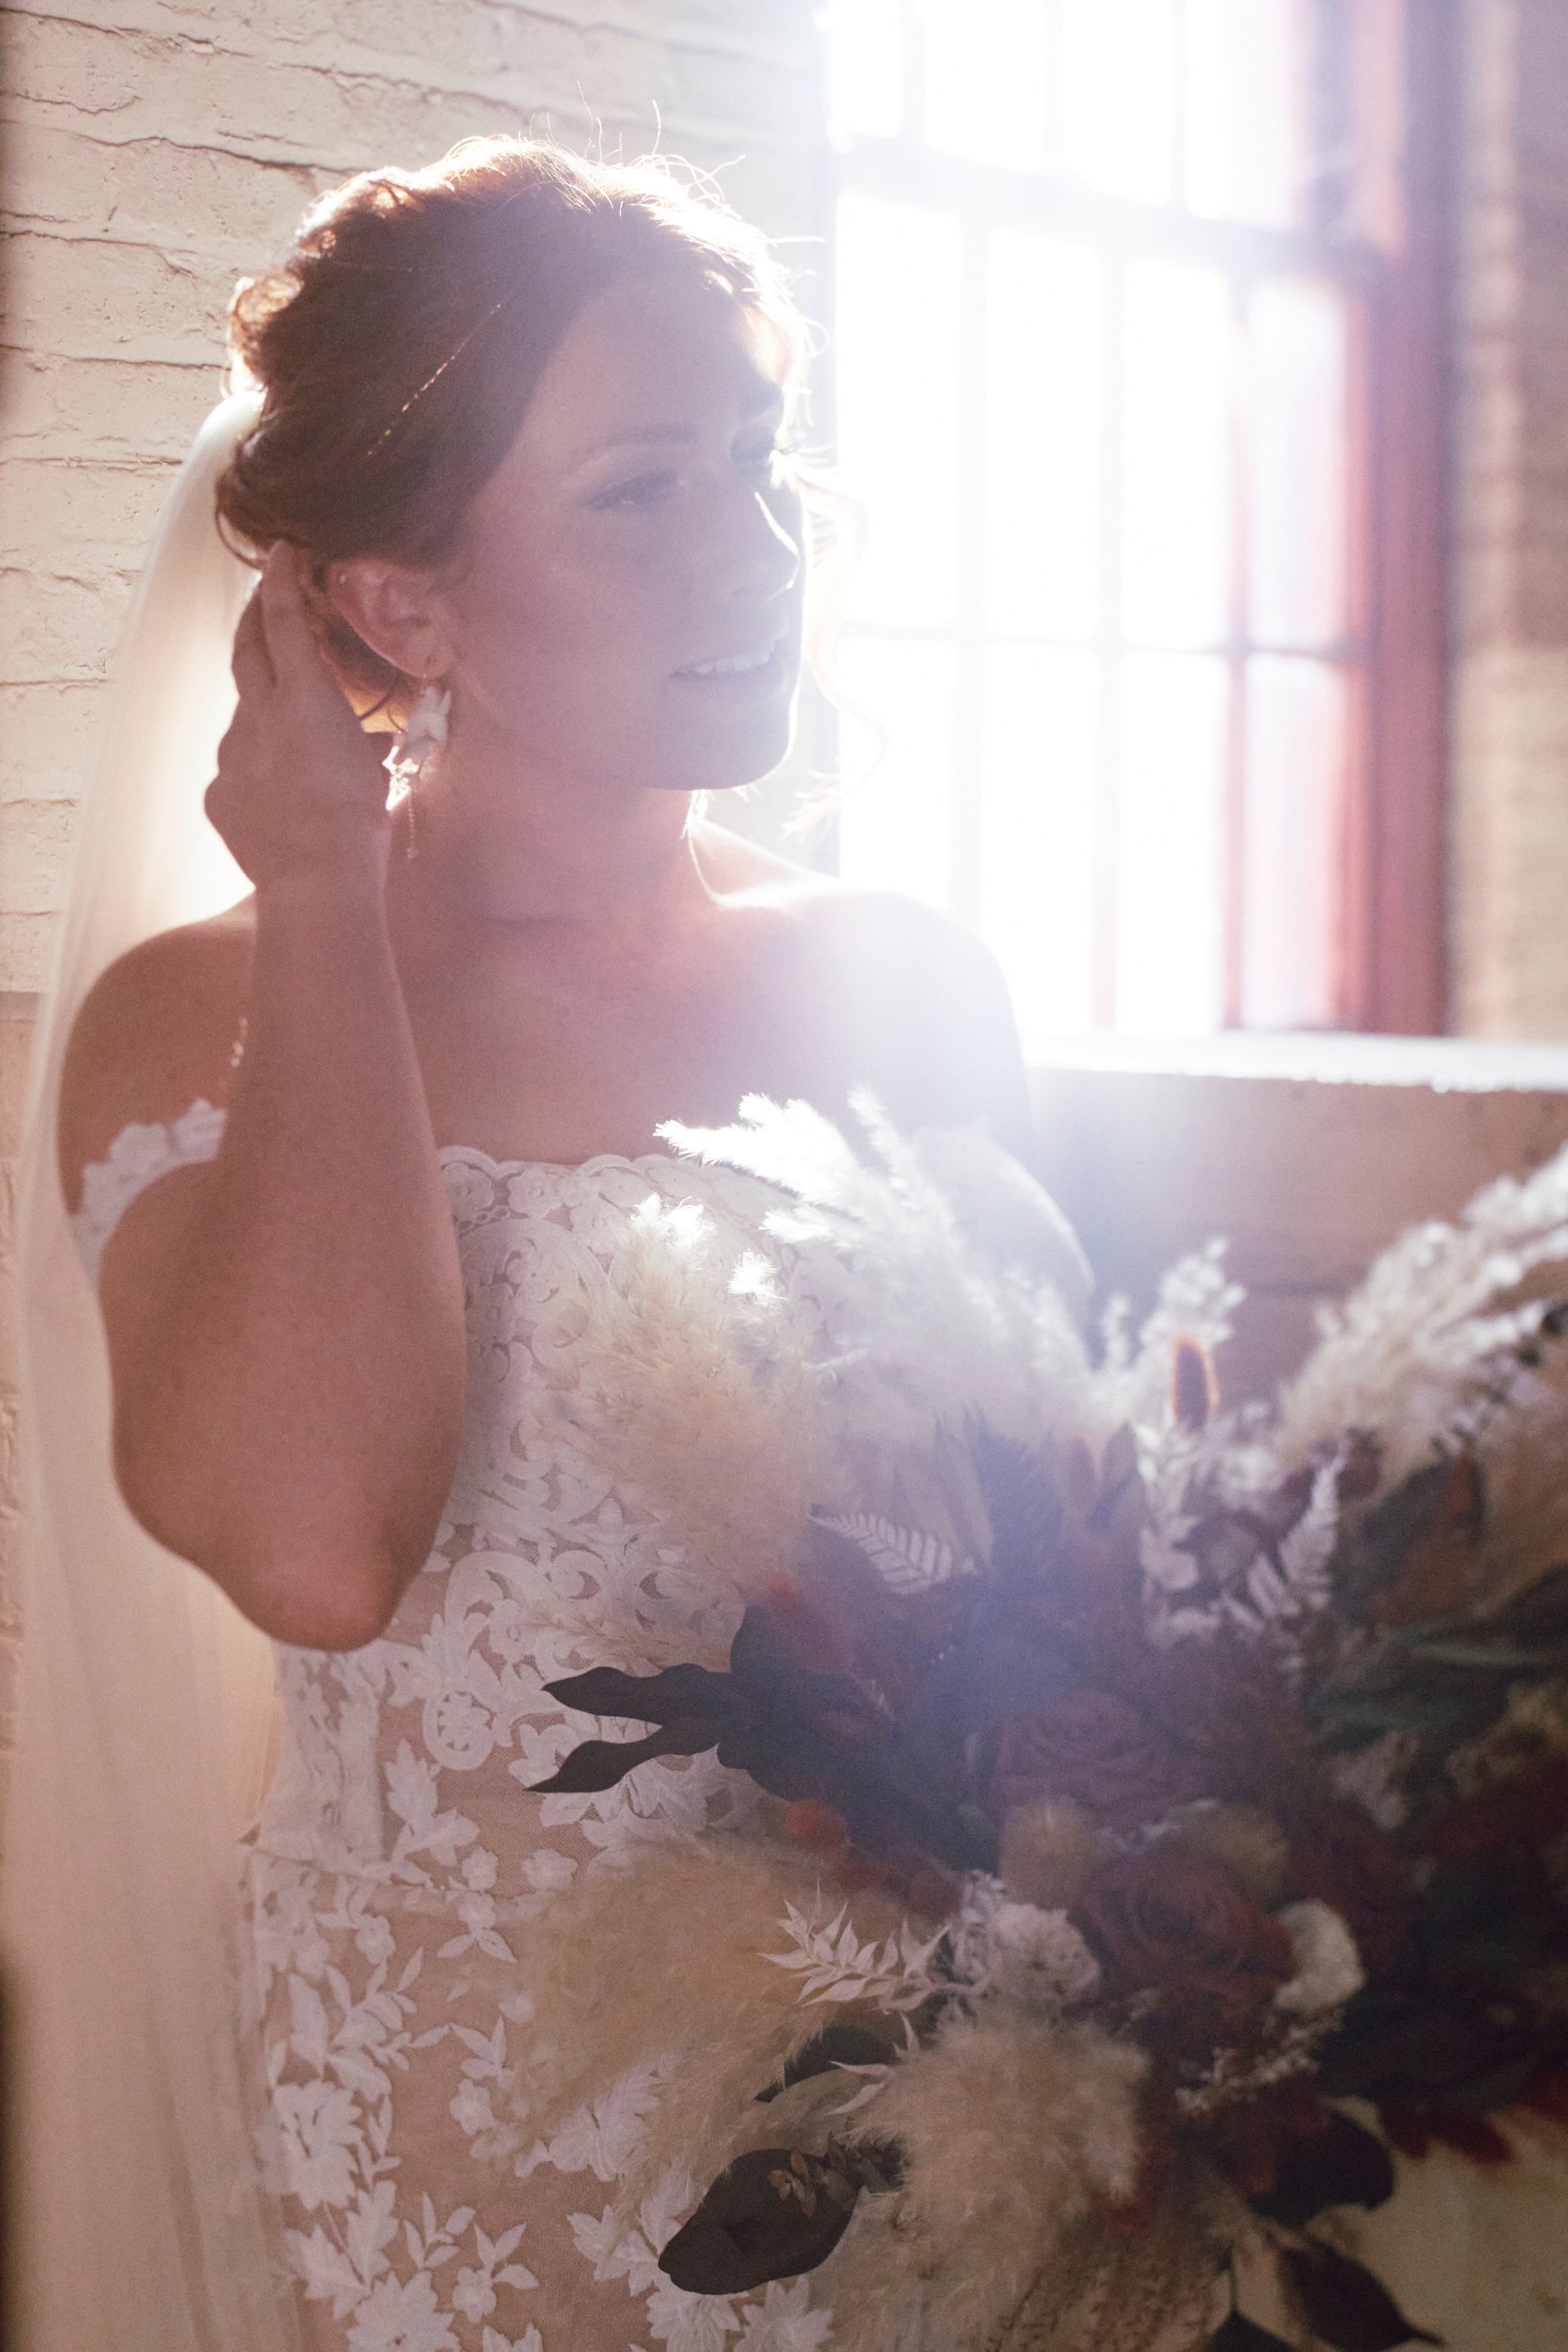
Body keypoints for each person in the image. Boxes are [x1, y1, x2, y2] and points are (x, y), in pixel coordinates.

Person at [16, 137, 1046, 2352]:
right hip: (474, 2157)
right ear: (402, 604)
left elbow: (1057, 1563)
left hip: (942, 2120)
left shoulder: (914, 981)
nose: (753, 551)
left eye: (755, 460)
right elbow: (319, 1551)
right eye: (640, 489)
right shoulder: (190, 1022)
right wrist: (324, 901)